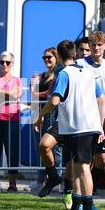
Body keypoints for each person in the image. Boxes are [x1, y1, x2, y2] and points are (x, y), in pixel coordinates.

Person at [35, 40, 105, 210]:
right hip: (84, 126)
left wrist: (40, 115)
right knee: (75, 167)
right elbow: (100, 99)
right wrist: (100, 124)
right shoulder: (89, 73)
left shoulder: (65, 74)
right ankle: (75, 209)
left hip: (79, 126)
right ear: (75, 54)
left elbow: (54, 101)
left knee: (82, 168)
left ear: (58, 56)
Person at [76, 31, 105, 196]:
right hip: (84, 118)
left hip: (102, 118)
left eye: (99, 45)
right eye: (93, 45)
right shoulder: (79, 64)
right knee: (82, 159)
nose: (96, 48)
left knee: (102, 160)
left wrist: (103, 102)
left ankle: (91, 183)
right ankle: (79, 191)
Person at [0, 51, 23, 192]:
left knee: (12, 152)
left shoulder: (17, 80)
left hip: (12, 119)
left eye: (7, 62)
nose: (4, 65)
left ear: (12, 64)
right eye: (2, 62)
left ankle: (12, 184)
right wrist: (7, 95)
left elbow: (15, 95)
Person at [29, 47, 62, 193]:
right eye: (44, 58)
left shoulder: (58, 75)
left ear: (56, 58)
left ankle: (57, 178)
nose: (47, 60)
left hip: (53, 114)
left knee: (55, 149)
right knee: (41, 148)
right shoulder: (41, 75)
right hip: (40, 114)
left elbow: (49, 94)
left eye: (49, 57)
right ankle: (41, 178)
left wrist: (34, 89)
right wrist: (34, 86)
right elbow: (35, 96)